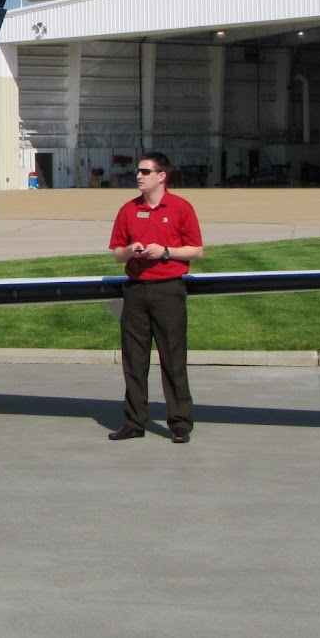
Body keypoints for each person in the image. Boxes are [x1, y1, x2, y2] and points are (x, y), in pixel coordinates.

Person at [106, 152, 203, 443]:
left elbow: (196, 250)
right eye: (138, 171)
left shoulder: (180, 208)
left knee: (173, 359)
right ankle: (134, 422)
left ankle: (180, 424)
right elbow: (115, 253)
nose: (139, 176)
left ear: (162, 176)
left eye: (145, 172)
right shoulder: (128, 210)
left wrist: (165, 251)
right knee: (134, 361)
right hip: (135, 290)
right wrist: (130, 250)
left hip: (168, 290)